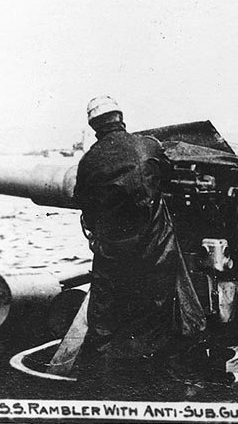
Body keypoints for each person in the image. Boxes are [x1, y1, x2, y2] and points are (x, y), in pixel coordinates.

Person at [73, 96, 206, 390]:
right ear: (120, 118)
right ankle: (153, 378)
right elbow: (167, 176)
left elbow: (86, 207)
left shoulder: (89, 161)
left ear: (94, 126)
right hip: (156, 248)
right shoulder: (148, 145)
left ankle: (97, 382)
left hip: (113, 252)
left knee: (104, 317)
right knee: (156, 313)